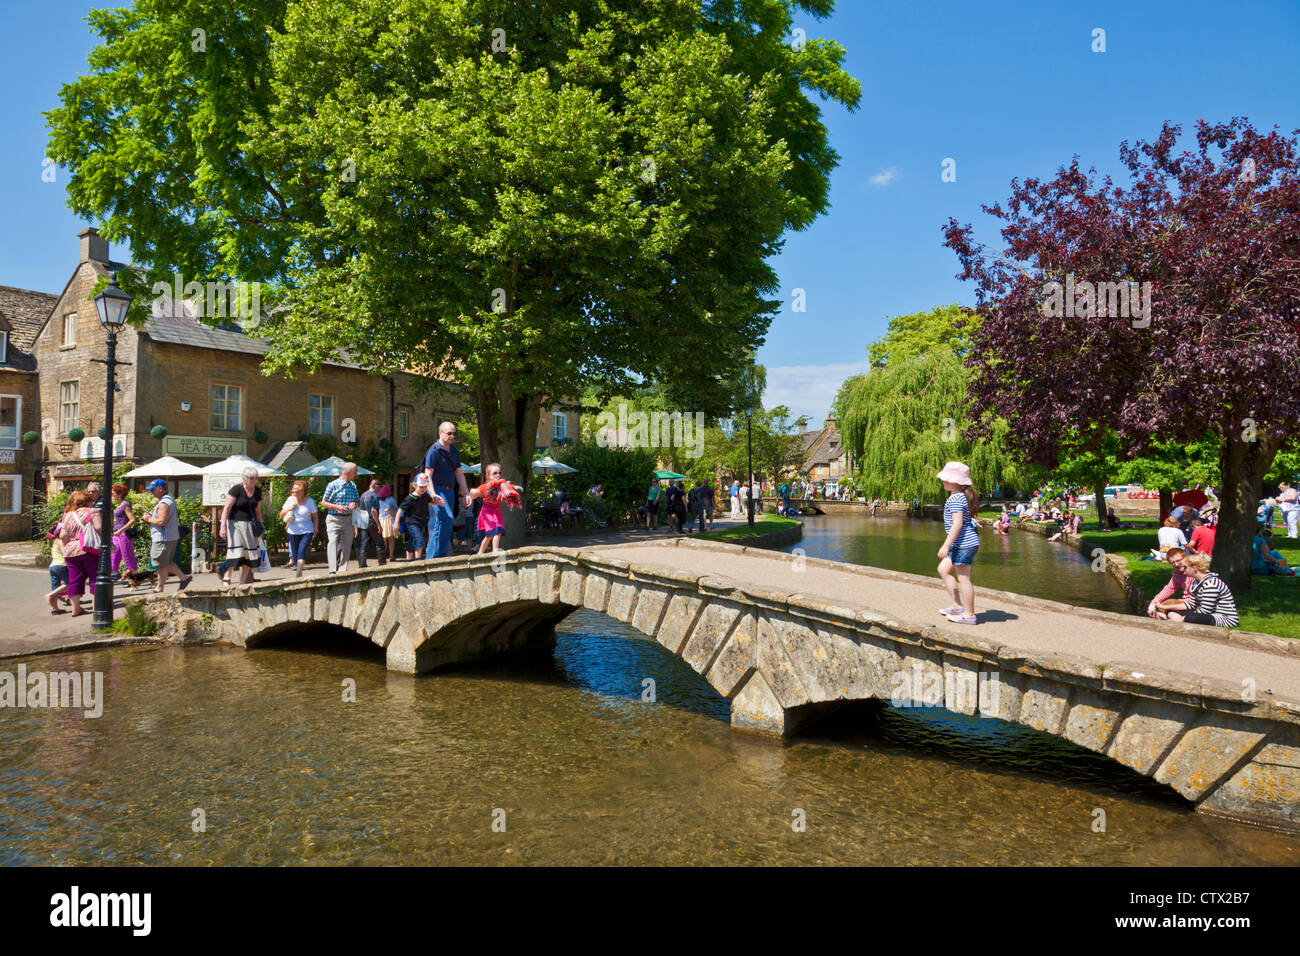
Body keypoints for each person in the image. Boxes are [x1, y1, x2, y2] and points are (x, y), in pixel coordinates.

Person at [935, 461, 980, 625]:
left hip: (963, 544)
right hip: (962, 543)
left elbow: (957, 524)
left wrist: (946, 545)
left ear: (957, 481)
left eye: (947, 479)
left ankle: (969, 615)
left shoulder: (956, 498)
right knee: (943, 569)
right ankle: (957, 605)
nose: (943, 481)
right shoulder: (960, 496)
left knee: (964, 578)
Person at [423, 422, 472, 559]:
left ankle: (440, 553)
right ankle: (433, 555)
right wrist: (432, 494)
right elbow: (427, 476)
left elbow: (459, 472)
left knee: (446, 521)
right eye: (449, 433)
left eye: (454, 433)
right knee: (446, 518)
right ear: (440, 433)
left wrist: (466, 492)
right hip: (437, 490)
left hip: (450, 491)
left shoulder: (454, 450)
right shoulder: (434, 451)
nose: (452, 436)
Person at [53, 491, 102, 617]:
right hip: (89, 548)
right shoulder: (92, 512)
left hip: (70, 551)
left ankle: (75, 609)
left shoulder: (67, 515)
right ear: (88, 501)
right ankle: (97, 607)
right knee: (94, 577)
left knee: (74, 580)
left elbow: (63, 536)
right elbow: (98, 527)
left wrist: (68, 546)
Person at [1158, 551, 1239, 627]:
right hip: (1208, 614)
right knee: (1172, 611)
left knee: (1192, 618)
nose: (1184, 570)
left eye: (1185, 567)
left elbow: (1205, 611)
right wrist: (1167, 607)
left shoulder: (1211, 583)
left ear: (1194, 568)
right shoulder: (1196, 582)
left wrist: (1186, 615)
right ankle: (1177, 620)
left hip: (1222, 618)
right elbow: (1191, 604)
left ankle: (1172, 622)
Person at [142, 478, 190, 592]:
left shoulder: (164, 503)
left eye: (153, 490)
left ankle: (184, 577)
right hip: (168, 537)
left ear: (160, 489)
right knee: (162, 563)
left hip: (163, 537)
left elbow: (161, 522)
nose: (151, 492)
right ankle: (160, 587)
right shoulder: (167, 501)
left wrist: (148, 518)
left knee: (162, 561)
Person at [219, 466, 264, 584]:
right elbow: (227, 508)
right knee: (236, 552)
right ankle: (227, 577)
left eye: (256, 478)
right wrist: (222, 526)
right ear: (245, 478)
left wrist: (260, 525)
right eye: (251, 478)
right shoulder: (236, 489)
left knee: (250, 553)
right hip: (235, 525)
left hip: (251, 526)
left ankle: (243, 581)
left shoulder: (257, 491)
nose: (254, 480)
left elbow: (258, 509)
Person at [468, 463, 522, 554]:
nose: (498, 475)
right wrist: (473, 492)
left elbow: (507, 492)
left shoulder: (502, 486)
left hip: (497, 511)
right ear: (488, 475)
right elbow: (474, 493)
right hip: (487, 512)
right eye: (495, 473)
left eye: (499, 473)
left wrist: (511, 496)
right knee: (495, 531)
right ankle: (494, 550)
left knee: (494, 533)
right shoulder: (486, 486)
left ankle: (481, 552)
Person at [320, 462, 360, 574]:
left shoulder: (353, 485)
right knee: (332, 542)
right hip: (334, 518)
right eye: (355, 472)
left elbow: (358, 500)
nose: (356, 474)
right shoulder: (332, 485)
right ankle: (332, 570)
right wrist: (336, 506)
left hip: (348, 519)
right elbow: (323, 502)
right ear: (348, 472)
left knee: (347, 546)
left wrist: (354, 504)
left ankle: (342, 570)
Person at [395, 475, 444, 560]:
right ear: (414, 485)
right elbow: (400, 509)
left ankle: (408, 560)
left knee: (412, 540)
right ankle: (418, 561)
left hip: (421, 522)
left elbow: (431, 502)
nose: (423, 489)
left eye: (425, 487)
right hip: (411, 523)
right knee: (419, 540)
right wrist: (396, 523)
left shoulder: (425, 495)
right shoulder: (410, 498)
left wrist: (439, 503)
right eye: (421, 487)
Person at [280, 479, 318, 578]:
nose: (293, 489)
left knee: (302, 550)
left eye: (295, 487)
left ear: (302, 490)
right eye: (293, 487)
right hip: (293, 531)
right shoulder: (290, 500)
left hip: (307, 531)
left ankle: (297, 575)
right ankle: (300, 573)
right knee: (296, 554)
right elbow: (281, 514)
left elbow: (315, 516)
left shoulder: (310, 501)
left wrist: (316, 528)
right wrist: (290, 508)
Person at [353, 479, 388, 569]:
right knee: (379, 543)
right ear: (376, 486)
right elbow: (373, 511)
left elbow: (359, 509)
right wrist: (379, 525)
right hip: (372, 521)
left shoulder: (363, 495)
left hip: (363, 521)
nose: (380, 490)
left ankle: (362, 563)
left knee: (364, 543)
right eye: (379, 488)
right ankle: (382, 563)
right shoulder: (374, 496)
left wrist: (357, 526)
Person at [1147, 546, 1190, 619]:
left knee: (1167, 604)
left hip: (1194, 604)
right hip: (1186, 602)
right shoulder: (1178, 574)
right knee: (1159, 606)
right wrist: (1153, 604)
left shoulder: (1195, 571)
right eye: (1173, 563)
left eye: (1178, 560)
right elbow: (1169, 588)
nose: (1176, 564)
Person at [109, 483, 138, 579]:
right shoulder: (118, 505)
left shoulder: (125, 504)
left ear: (120, 494)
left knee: (127, 556)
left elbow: (133, 520)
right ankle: (111, 576)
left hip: (123, 534)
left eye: (113, 493)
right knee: (114, 555)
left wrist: (121, 530)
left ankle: (134, 579)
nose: (111, 495)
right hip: (116, 534)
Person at [45, 518, 70, 614]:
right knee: (70, 583)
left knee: (55, 587)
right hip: (61, 565)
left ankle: (55, 609)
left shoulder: (53, 541)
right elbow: (64, 553)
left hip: (53, 566)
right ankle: (50, 595)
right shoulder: (59, 541)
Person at [378, 484, 399, 560]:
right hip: (390, 519)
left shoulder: (377, 499)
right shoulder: (391, 499)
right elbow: (396, 509)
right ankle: (391, 556)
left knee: (383, 539)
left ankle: (382, 556)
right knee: (391, 539)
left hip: (380, 520)